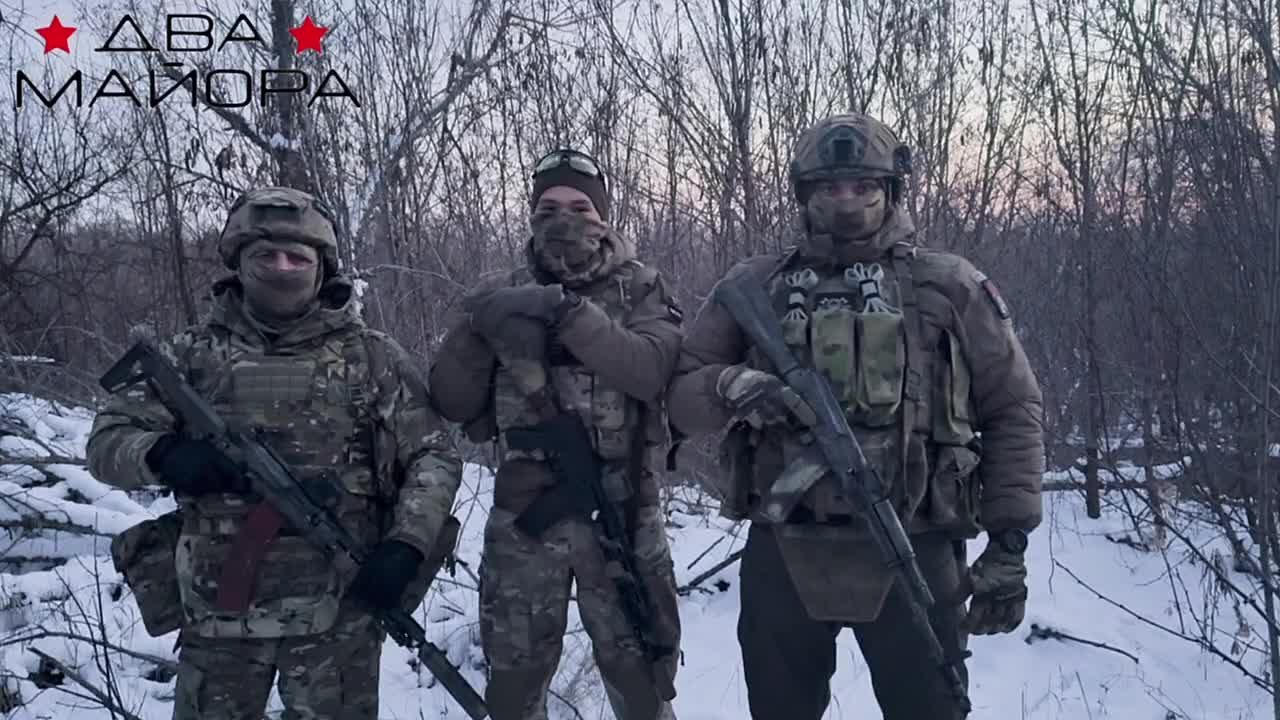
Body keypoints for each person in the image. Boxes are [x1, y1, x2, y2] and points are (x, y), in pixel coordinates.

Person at [664, 113, 1046, 720]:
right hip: (786, 544)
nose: (846, 200)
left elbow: (1013, 409)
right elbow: (681, 397)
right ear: (804, 193)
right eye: (828, 187)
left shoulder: (949, 285)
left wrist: (1010, 540)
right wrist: (730, 383)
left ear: (891, 189)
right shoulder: (755, 285)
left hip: (914, 539)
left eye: (863, 186)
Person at [87, 186, 464, 720]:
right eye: (266, 255)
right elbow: (107, 442)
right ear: (238, 262)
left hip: (340, 612)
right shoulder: (190, 356)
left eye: (297, 258)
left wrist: (407, 543)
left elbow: (433, 455)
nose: (282, 268)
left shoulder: (370, 356)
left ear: (322, 266)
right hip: (220, 612)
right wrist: (162, 454)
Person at [428, 148, 684, 720]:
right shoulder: (500, 291)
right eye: (547, 208)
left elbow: (650, 372)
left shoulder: (641, 288)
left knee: (643, 679)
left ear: (603, 216)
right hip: (525, 517)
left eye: (579, 207)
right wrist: (478, 326)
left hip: (622, 512)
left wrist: (564, 312)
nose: (563, 220)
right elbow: (451, 402)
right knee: (514, 683)